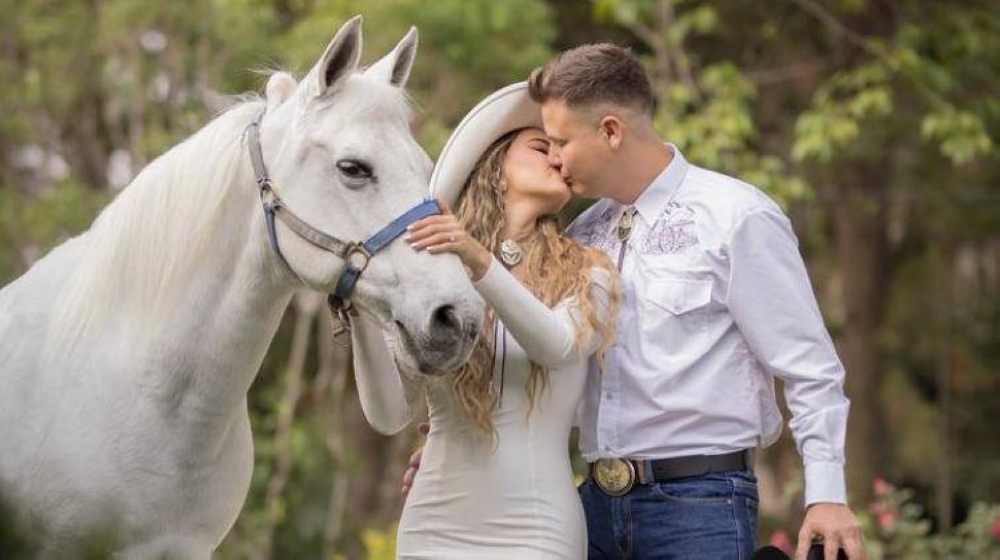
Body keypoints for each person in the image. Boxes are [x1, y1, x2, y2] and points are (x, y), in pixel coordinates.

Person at [406, 45, 867, 560]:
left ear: (610, 131)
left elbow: (811, 368)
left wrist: (827, 494)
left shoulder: (735, 217)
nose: (554, 157)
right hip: (592, 507)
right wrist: (463, 445)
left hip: (698, 504)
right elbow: (548, 363)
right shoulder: (582, 236)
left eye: (559, 141)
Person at [356, 82, 620, 558]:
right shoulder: (435, 276)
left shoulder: (590, 270)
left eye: (561, 151)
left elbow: (558, 345)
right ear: (496, 167)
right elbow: (391, 414)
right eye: (541, 147)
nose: (558, 159)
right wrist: (358, 307)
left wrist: (479, 263)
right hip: (434, 521)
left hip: (537, 528)